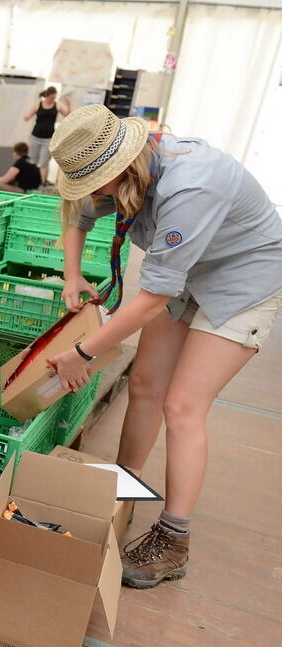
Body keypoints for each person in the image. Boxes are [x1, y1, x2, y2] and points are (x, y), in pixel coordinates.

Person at [46, 104, 282, 589]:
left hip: (244, 280)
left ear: (118, 168)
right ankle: (125, 491)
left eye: (97, 186)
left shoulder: (191, 188)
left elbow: (152, 299)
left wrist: (83, 353)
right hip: (188, 273)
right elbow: (78, 215)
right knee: (146, 384)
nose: (94, 196)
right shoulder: (120, 171)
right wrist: (72, 276)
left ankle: (173, 541)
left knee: (182, 406)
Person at [23, 86, 70, 184]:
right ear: (47, 96)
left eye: (54, 98)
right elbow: (28, 116)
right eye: (51, 98)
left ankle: (41, 183)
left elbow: (68, 115)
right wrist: (26, 117)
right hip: (35, 137)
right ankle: (30, 182)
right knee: (32, 161)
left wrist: (69, 104)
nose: (52, 100)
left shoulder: (57, 105)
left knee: (43, 163)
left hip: (48, 139)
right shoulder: (38, 105)